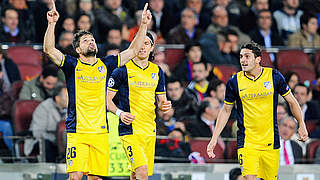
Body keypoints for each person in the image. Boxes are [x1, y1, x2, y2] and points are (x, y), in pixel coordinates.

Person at [43, 0, 152, 179]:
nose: (91, 41)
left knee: (96, 178)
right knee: (75, 176)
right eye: (86, 40)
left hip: (101, 132)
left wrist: (143, 26)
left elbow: (132, 51)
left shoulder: (106, 64)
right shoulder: (71, 65)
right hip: (77, 131)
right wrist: (52, 24)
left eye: (92, 39)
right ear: (78, 49)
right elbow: (49, 49)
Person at [207, 42, 308, 180]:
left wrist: (301, 124)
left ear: (258, 59)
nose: (243, 60)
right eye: (241, 56)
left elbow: (292, 101)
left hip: (271, 141)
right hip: (247, 141)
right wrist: (214, 138)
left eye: (247, 56)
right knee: (249, 178)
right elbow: (225, 110)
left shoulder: (273, 76)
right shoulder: (234, 81)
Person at [106, 31, 172, 180]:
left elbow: (162, 102)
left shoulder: (157, 71)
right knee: (142, 171)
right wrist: (120, 113)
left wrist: (165, 107)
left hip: (149, 129)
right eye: (139, 43)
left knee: (136, 174)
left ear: (152, 47)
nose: (142, 47)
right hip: (129, 129)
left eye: (146, 43)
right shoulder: (121, 70)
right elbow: (107, 100)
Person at [24, 85, 68, 162]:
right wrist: (56, 139)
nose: (70, 99)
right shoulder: (43, 108)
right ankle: (51, 171)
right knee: (47, 145)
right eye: (67, 96)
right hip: (40, 141)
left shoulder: (70, 109)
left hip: (61, 141)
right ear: (57, 98)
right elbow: (37, 132)